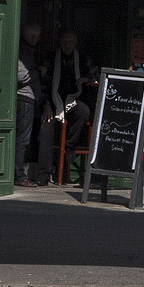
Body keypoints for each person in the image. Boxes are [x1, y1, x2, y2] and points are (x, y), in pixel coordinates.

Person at [37, 27, 93, 185]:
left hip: (72, 100)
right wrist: (46, 105)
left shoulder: (82, 58)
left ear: (75, 42)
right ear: (60, 42)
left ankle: (69, 146)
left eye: (70, 41)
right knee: (45, 129)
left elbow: (94, 73)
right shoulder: (51, 58)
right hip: (53, 101)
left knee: (84, 111)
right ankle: (44, 174)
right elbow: (43, 82)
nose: (67, 44)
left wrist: (85, 78)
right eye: (65, 41)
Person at [15, 22, 42, 187]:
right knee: (22, 139)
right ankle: (19, 175)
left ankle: (17, 173)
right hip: (25, 99)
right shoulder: (24, 51)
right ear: (32, 37)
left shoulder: (26, 50)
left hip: (27, 100)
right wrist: (40, 72)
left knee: (22, 138)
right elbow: (23, 77)